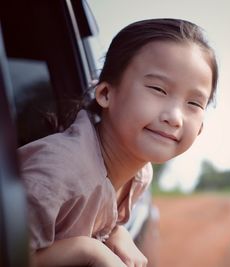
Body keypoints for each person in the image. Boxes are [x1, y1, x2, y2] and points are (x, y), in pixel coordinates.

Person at [18, 18, 218, 267]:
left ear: (201, 127)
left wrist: (114, 231)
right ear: (105, 94)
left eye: (194, 103)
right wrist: (87, 249)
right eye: (158, 89)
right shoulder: (54, 174)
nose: (175, 118)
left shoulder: (141, 175)